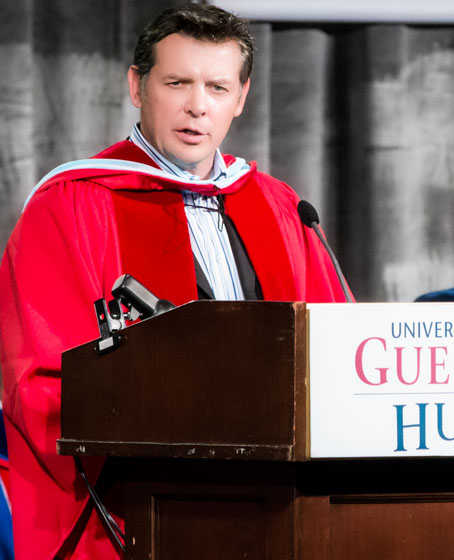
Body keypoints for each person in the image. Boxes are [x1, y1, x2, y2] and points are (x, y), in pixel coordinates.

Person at [0, 4, 351, 558]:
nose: (197, 106)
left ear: (240, 98)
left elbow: (336, 352)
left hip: (278, 500)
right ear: (137, 86)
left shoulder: (280, 207)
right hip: (143, 499)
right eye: (177, 82)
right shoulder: (72, 206)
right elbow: (38, 379)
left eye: (216, 87)